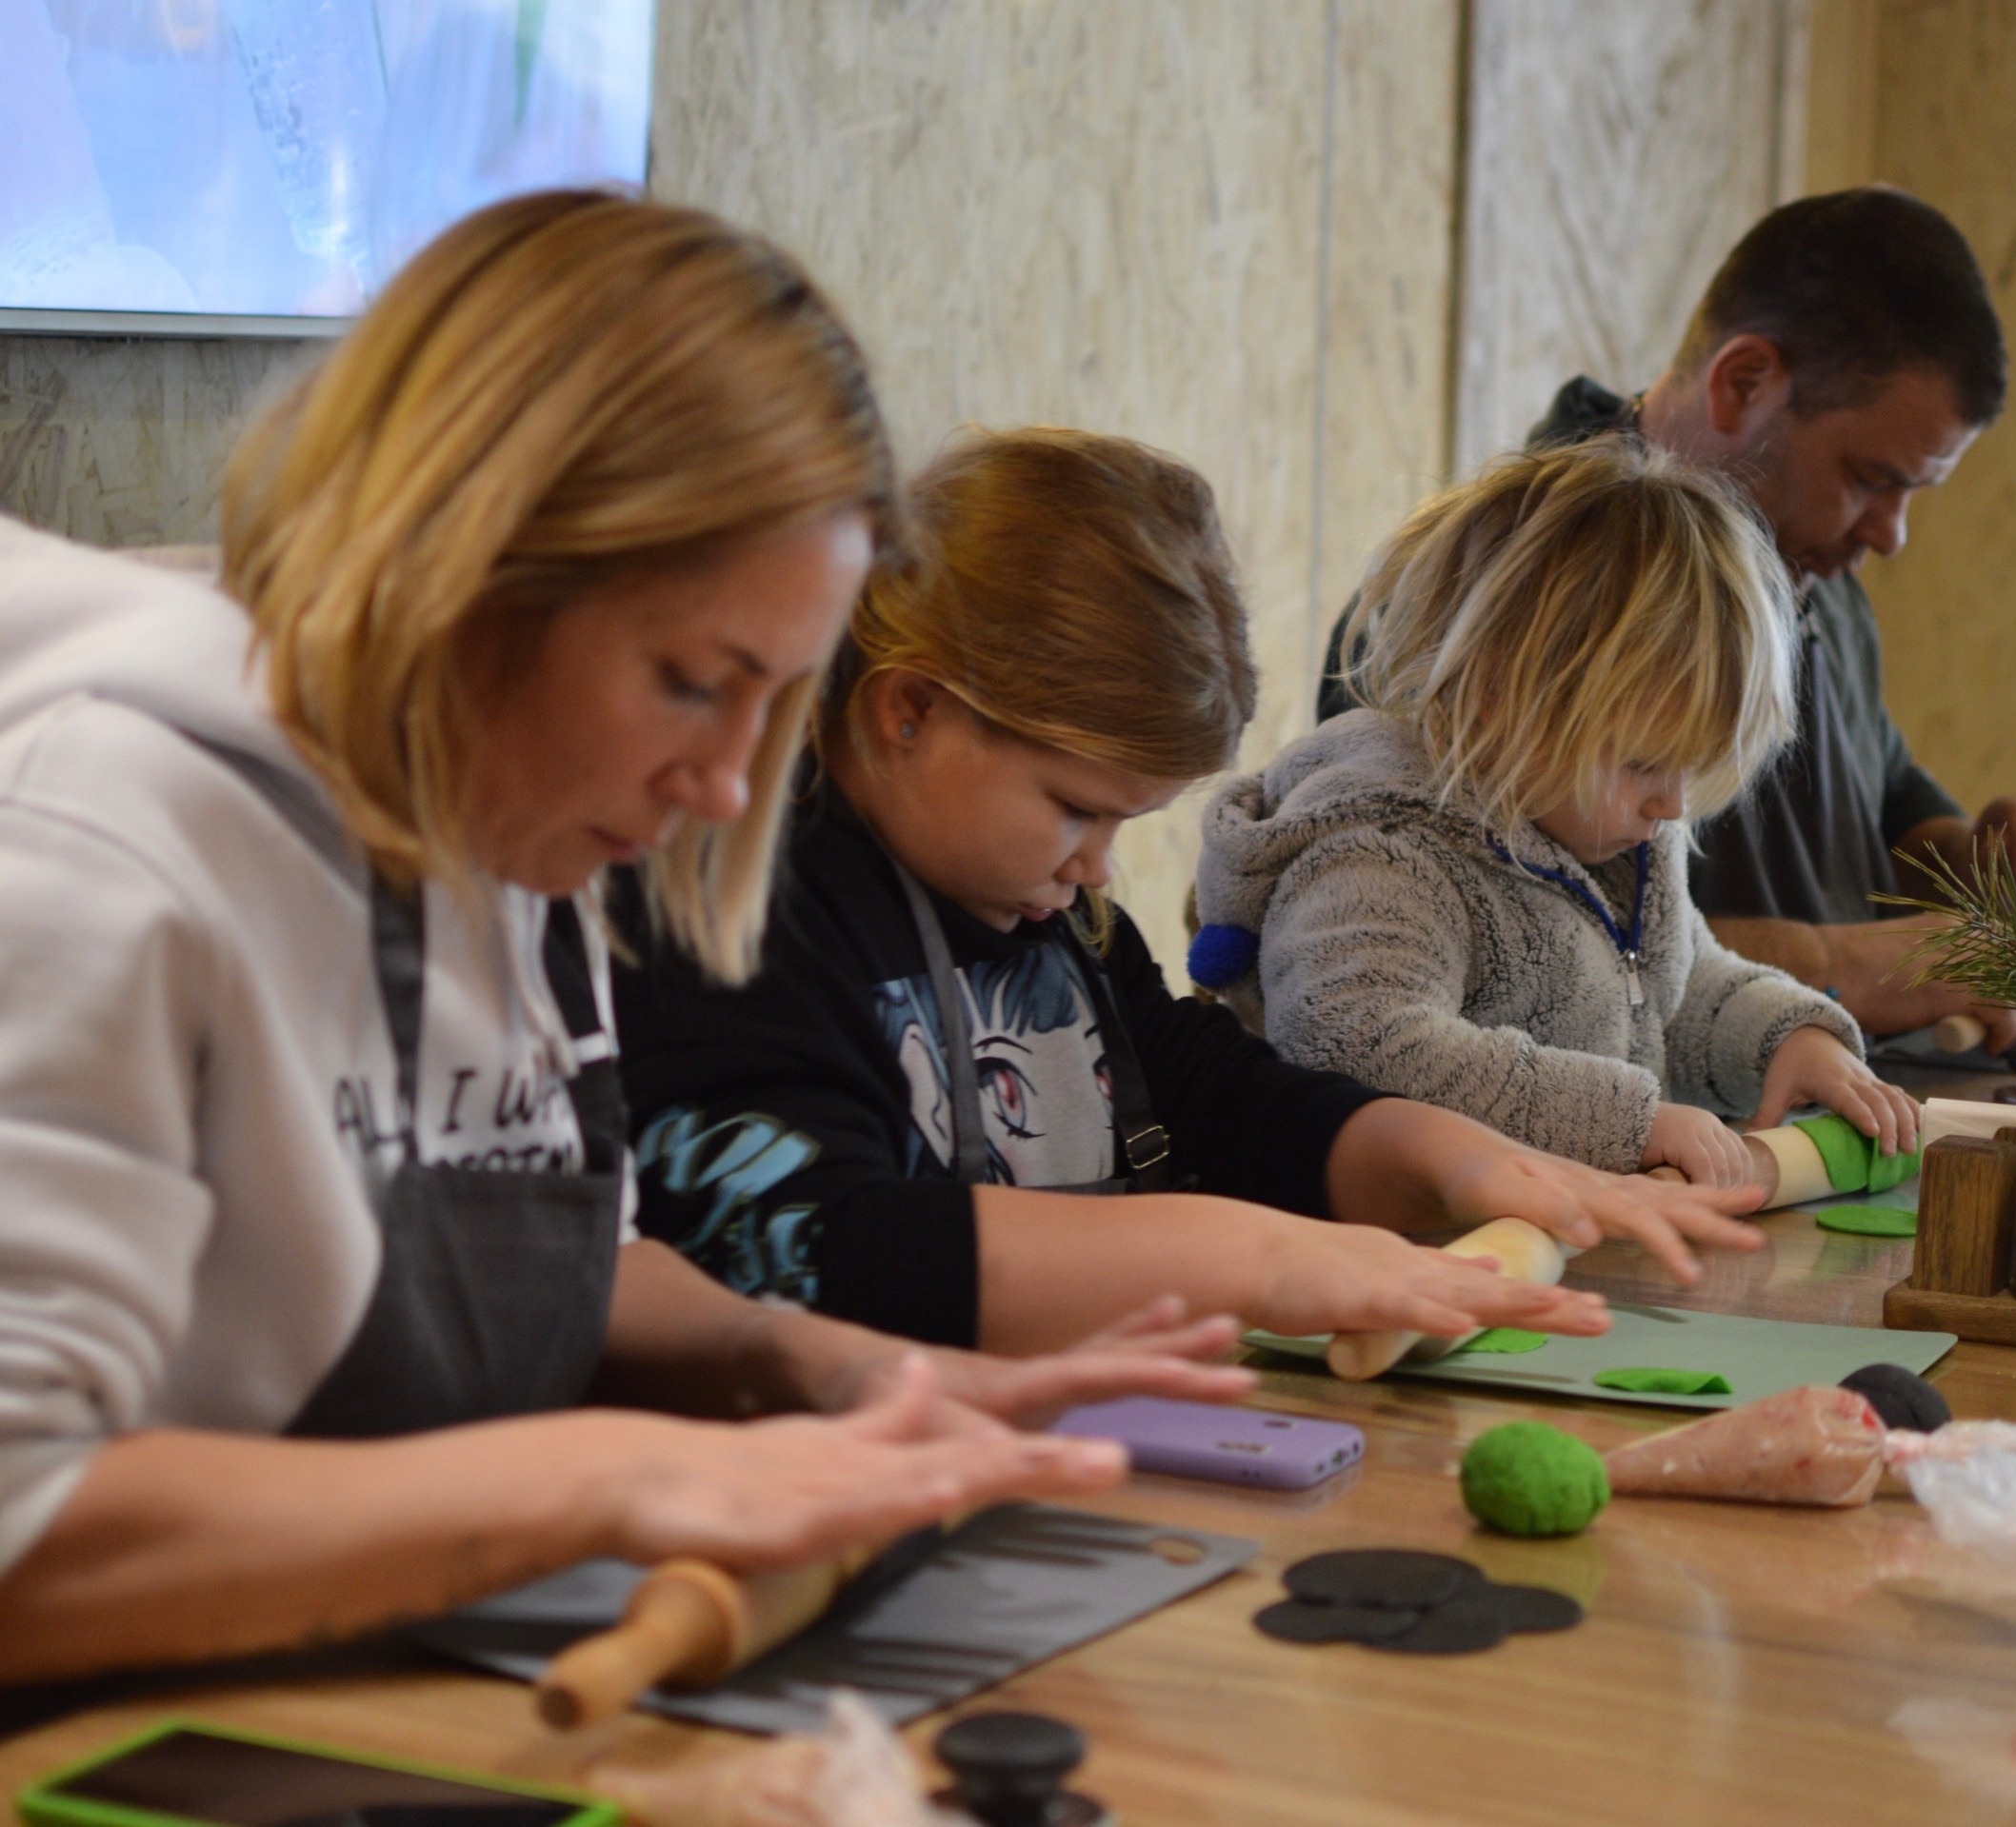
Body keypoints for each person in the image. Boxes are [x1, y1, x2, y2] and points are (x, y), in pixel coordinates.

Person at [0, 193, 1251, 1688]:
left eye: (772, 702)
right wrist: (605, 1478)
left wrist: (802, 1360)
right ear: (473, 562)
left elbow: (554, 1245)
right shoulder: (102, 845)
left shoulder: (520, 816)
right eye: (692, 680)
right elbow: (26, 1523)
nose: (725, 788)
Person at [614, 427, 1762, 1354]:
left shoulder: (1047, 908)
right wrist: (1248, 1258)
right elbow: (818, 1248)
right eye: (1076, 807)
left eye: (1124, 821)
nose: (1097, 867)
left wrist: (1441, 1154)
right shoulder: (734, 920)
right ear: (909, 710)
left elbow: (1206, 1089)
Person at [1315, 188, 2016, 1048]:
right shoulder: (1498, 595)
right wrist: (1843, 965)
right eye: (1871, 479)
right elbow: (1472, 934)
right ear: (1744, 381)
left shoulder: (1807, 560)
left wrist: (1986, 865)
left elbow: (1880, 804)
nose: (1891, 535)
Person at [1196, 437, 1921, 1184]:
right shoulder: (1378, 857)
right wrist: (1626, 1123)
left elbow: (1678, 989)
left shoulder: (1616, 837)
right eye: (1643, 762)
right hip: (1383, 1245)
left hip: (1555, 1229)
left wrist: (1790, 1036)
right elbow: (1360, 1044)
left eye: (1691, 765)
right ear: (1497, 699)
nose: (1672, 803)